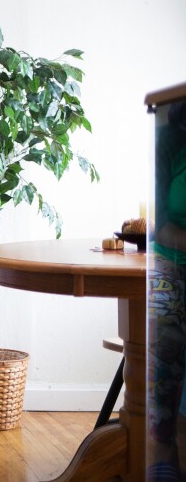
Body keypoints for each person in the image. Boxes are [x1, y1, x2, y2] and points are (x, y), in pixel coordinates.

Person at [148, 100, 186, 482]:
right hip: (172, 261)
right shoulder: (169, 138)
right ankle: (161, 447)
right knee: (167, 338)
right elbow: (160, 226)